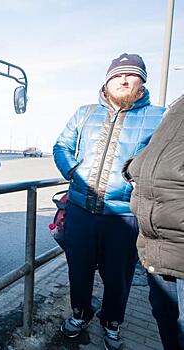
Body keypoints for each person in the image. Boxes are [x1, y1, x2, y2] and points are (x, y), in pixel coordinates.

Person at [53, 53, 165, 350]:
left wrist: (142, 182)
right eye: (117, 75)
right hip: (80, 209)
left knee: (118, 277)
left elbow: (167, 162)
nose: (124, 79)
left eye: (132, 75)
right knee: (78, 269)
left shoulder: (159, 116)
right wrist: (74, 171)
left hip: (123, 215)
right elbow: (61, 145)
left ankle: (112, 322)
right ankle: (80, 313)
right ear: (107, 81)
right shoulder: (85, 112)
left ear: (142, 81)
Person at [122, 95, 184, 350]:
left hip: (175, 238)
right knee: (166, 318)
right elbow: (158, 154)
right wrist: (133, 169)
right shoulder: (178, 105)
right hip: (160, 245)